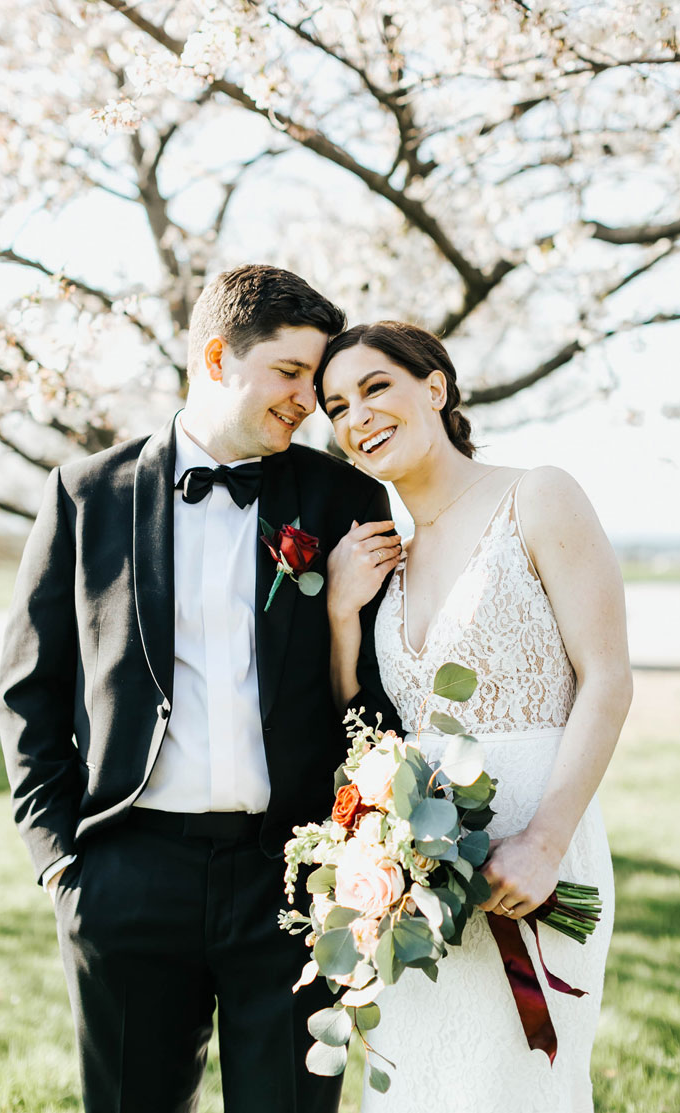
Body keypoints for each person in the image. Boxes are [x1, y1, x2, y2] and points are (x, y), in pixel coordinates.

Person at [0, 266, 401, 1113]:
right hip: (126, 875)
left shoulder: (345, 500)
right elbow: (29, 691)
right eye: (290, 374)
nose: (308, 400)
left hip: (291, 879)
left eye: (315, 381)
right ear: (217, 357)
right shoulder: (83, 495)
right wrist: (60, 862)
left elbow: (376, 692)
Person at [318, 321, 632, 1113]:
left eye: (374, 386)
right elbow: (364, 723)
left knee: (516, 1086)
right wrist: (341, 617)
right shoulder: (384, 563)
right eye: (335, 404)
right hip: (421, 884)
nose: (356, 414)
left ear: (435, 387)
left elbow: (606, 679)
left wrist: (545, 842)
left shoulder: (537, 494)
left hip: (535, 861)